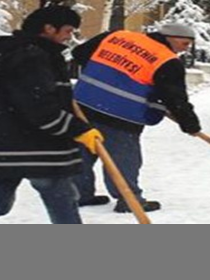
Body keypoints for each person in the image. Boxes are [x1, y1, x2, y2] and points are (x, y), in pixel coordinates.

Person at [0, 7, 103, 224]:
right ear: (48, 28)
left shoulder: (9, 53)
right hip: (35, 147)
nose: (69, 36)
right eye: (67, 30)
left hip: (2, 145)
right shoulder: (32, 57)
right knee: (60, 197)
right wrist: (79, 130)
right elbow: (39, 107)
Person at [71, 23, 202, 213]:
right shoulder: (167, 60)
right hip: (121, 115)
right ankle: (129, 200)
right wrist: (190, 124)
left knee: (82, 152)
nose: (186, 48)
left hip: (82, 104)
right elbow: (174, 97)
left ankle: (78, 194)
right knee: (122, 158)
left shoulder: (117, 37)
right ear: (170, 37)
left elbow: (79, 54)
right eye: (185, 43)